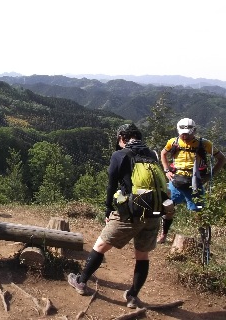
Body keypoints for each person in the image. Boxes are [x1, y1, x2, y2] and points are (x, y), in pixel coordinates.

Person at [68, 124, 167, 309]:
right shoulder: (152, 155)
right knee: (142, 256)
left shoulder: (119, 155)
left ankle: (81, 282)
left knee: (99, 245)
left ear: (122, 137)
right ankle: (132, 296)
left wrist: (107, 208)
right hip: (154, 212)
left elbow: (111, 185)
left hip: (131, 213)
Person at [157, 118, 226, 244]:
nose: (185, 136)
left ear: (194, 131)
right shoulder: (173, 142)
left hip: (194, 184)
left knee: (199, 211)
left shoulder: (204, 143)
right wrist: (167, 171)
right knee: (167, 208)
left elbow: (222, 159)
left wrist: (210, 176)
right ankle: (163, 235)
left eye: (188, 133)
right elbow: (163, 154)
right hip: (176, 182)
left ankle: (204, 241)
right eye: (183, 134)